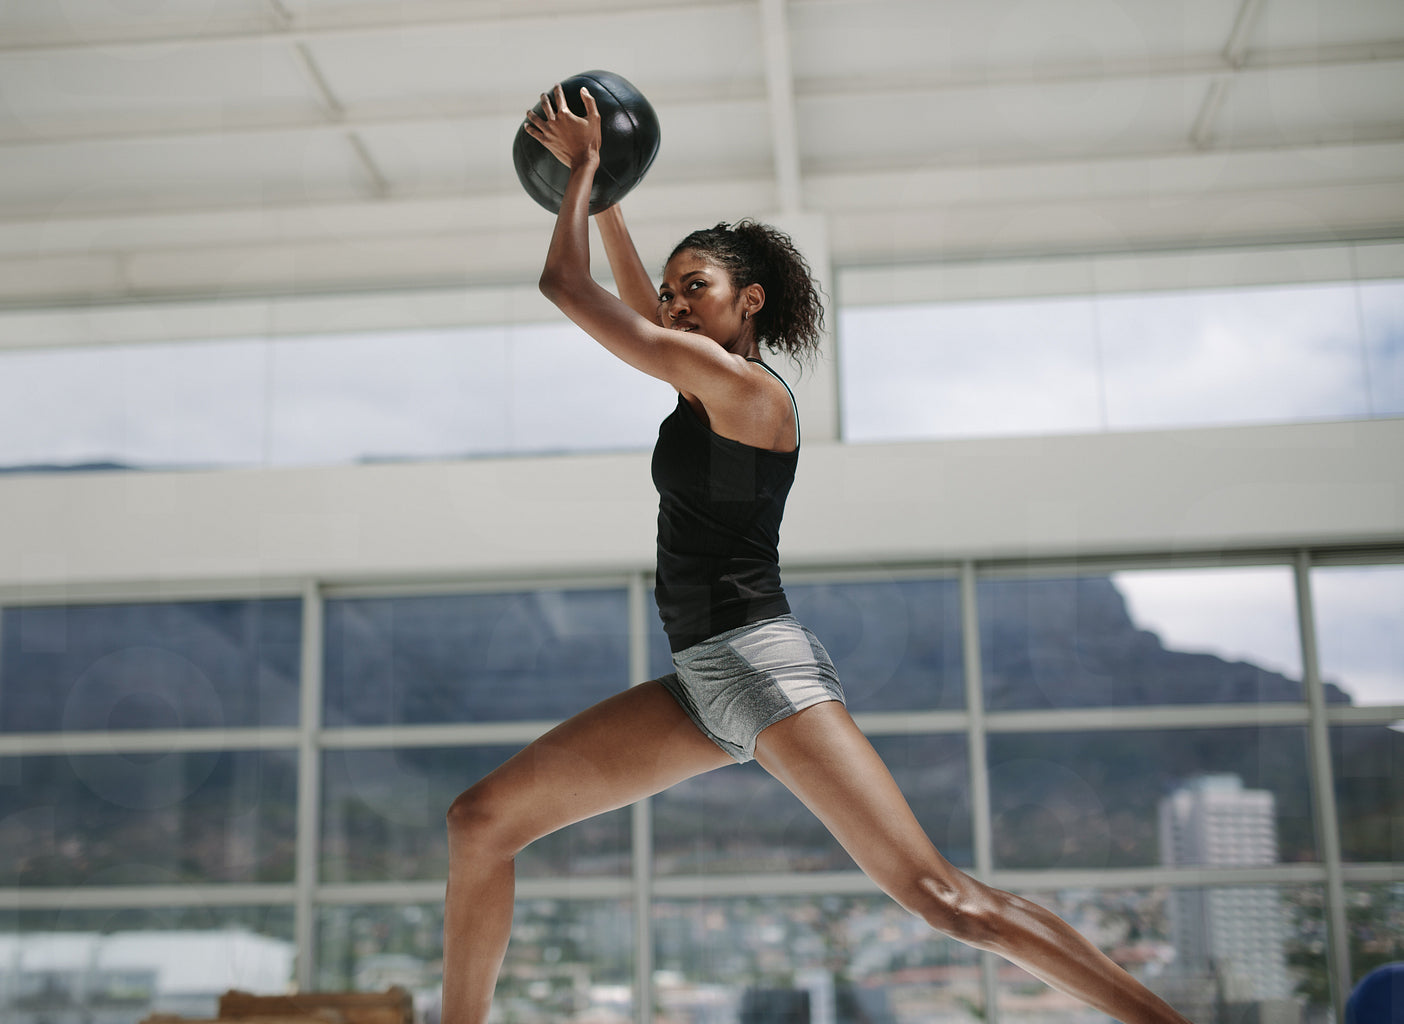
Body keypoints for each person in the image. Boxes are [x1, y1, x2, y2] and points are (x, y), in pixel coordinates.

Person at [440, 83, 1192, 1024]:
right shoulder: (703, 379)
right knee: (480, 822)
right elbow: (642, 314)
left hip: (761, 669)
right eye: (670, 292)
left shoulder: (746, 391)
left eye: (695, 287)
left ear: (749, 300)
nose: (673, 304)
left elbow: (567, 287)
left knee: (946, 901)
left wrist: (586, 173)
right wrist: (612, 202)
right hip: (700, 684)